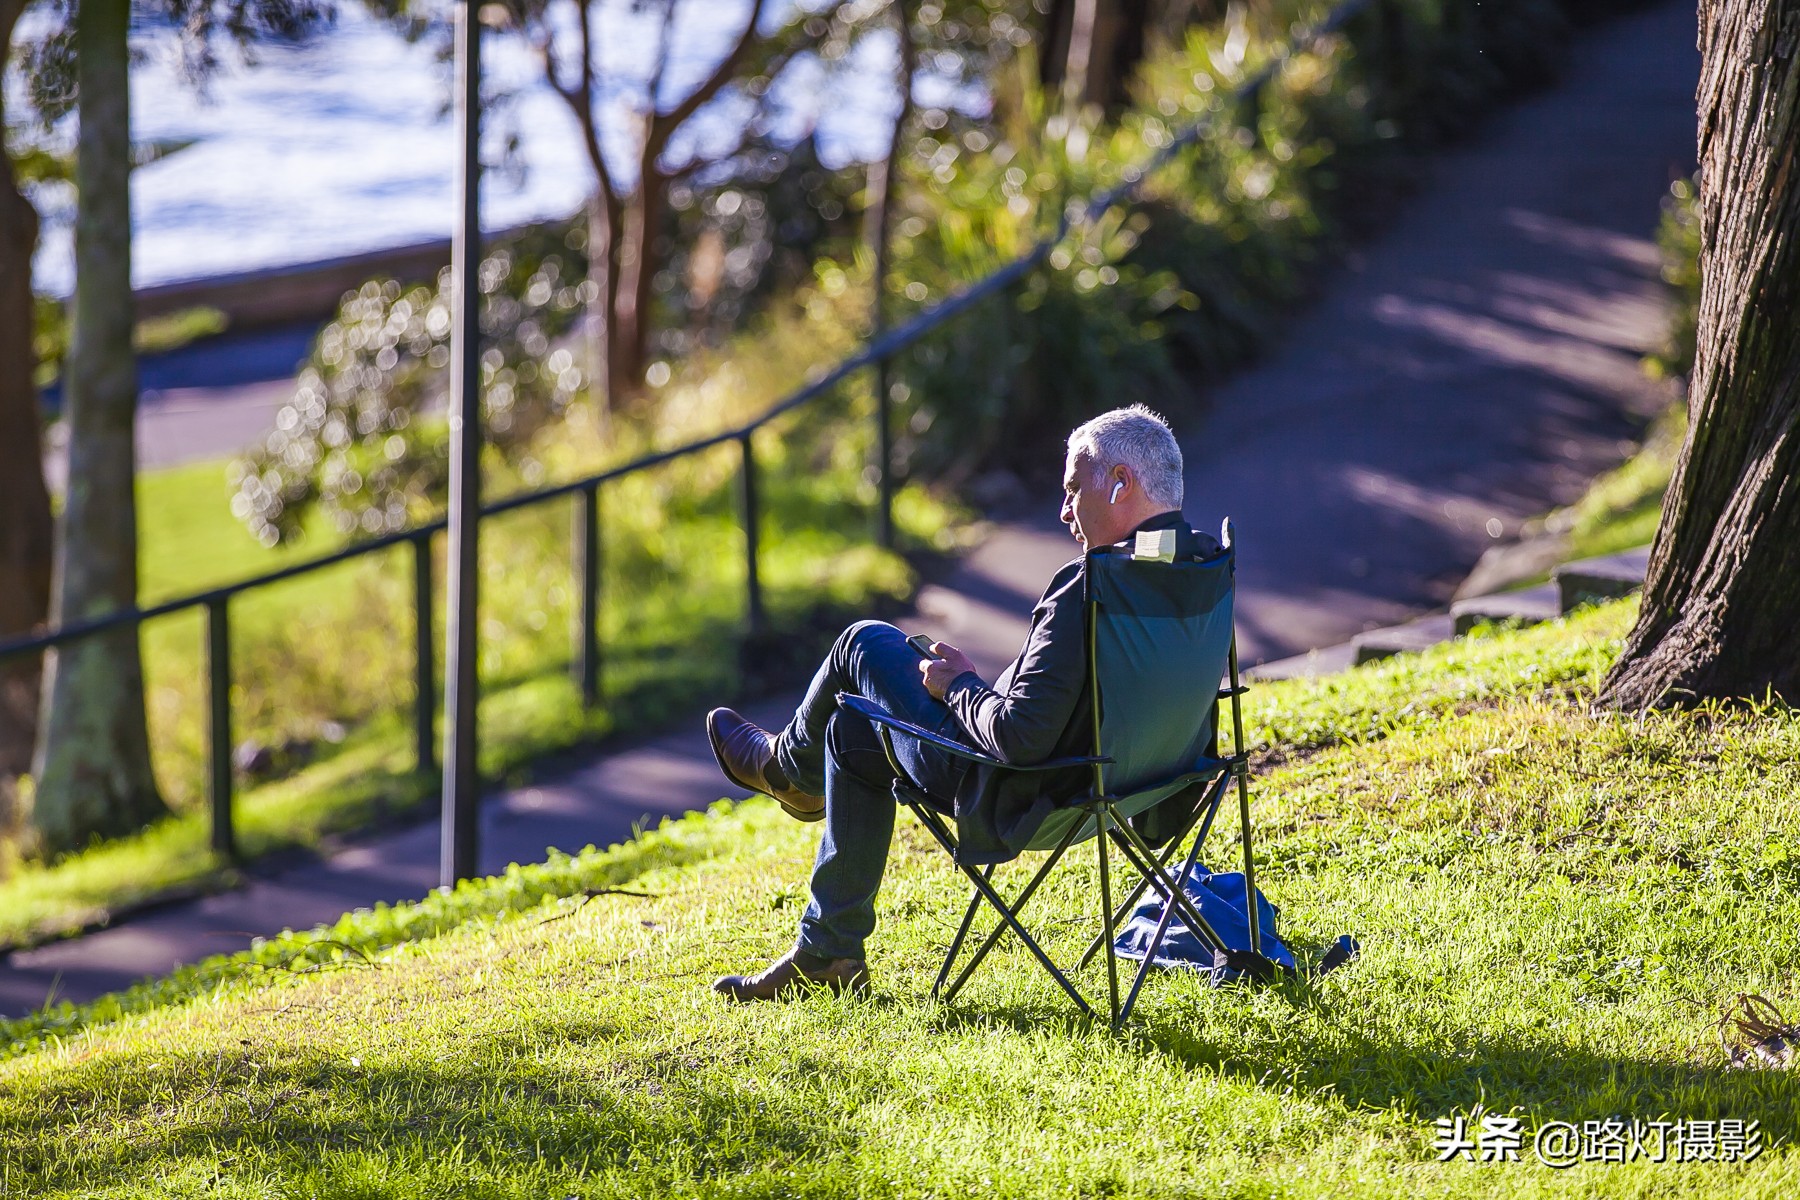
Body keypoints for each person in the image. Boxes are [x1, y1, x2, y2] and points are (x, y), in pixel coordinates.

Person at [706, 405, 1211, 1001]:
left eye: (1075, 489)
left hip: (1011, 792)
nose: (1065, 510)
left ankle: (784, 769)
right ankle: (828, 953)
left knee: (863, 643)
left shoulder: (1090, 589)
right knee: (850, 731)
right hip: (1137, 787)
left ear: (1121, 483)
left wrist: (959, 686)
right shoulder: (1203, 566)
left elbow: (1019, 738)